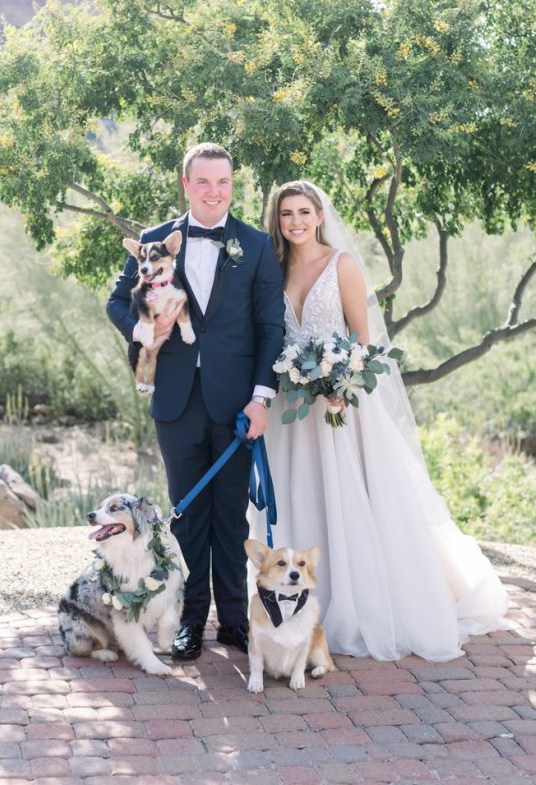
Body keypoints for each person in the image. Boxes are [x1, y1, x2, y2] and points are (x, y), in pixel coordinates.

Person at [258, 179, 511, 662]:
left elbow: (361, 337)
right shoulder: (273, 272)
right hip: (293, 413)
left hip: (342, 408)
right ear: (278, 219)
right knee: (302, 494)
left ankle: (369, 603)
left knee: (359, 498)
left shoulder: (342, 265)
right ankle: (306, 604)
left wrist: (338, 386)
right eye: (287, 214)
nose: (295, 222)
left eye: (304, 212)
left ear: (318, 215)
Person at [107, 143, 285, 661]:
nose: (213, 191)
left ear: (233, 185)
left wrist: (261, 399)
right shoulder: (153, 240)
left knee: (231, 516)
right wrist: (147, 329)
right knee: (187, 517)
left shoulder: (254, 246)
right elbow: (116, 303)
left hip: (236, 406)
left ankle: (234, 622)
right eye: (203, 182)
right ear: (186, 185)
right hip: (176, 400)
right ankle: (189, 623)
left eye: (223, 182)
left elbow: (270, 327)